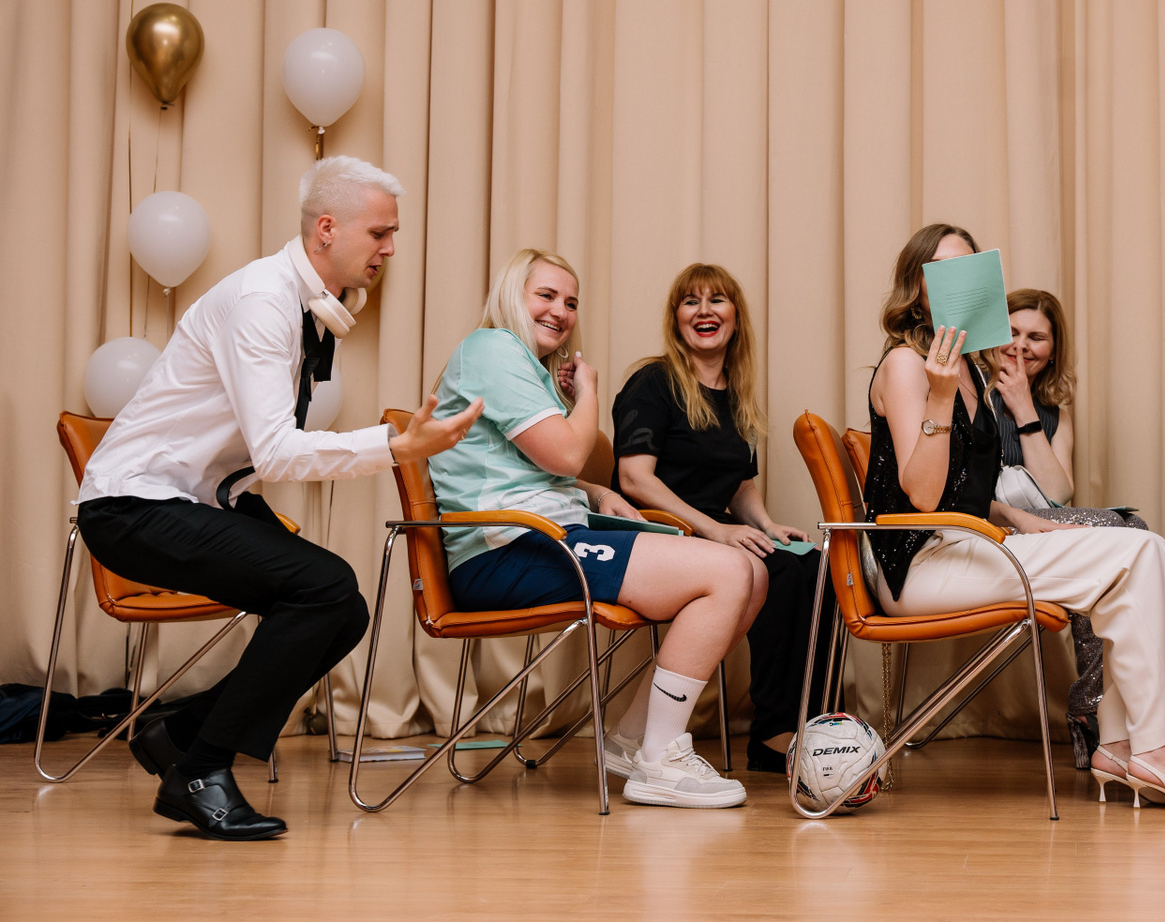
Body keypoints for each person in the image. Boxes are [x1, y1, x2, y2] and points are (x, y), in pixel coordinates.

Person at [74, 157, 483, 840]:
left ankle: (184, 734)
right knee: (324, 587)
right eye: (379, 232)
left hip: (200, 498)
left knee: (342, 611)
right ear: (327, 229)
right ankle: (199, 770)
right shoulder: (264, 301)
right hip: (133, 505)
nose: (390, 248)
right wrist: (396, 446)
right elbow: (276, 452)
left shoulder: (303, 306)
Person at [864, 224, 1165, 810]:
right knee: (1135, 554)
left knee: (1144, 547)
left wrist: (1019, 516)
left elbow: (964, 487)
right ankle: (1154, 749)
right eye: (942, 271)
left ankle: (1122, 743)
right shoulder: (907, 365)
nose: (959, 282)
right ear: (917, 289)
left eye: (970, 268)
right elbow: (924, 498)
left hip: (970, 543)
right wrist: (939, 395)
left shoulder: (974, 370)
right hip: (918, 564)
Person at [429, 249, 763, 809]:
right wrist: (587, 393)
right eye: (546, 296)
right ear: (512, 295)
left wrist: (596, 491)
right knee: (729, 570)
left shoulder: (523, 365)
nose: (561, 311)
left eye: (571, 302)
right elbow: (564, 455)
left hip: (545, 538)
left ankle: (632, 741)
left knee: (754, 572)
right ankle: (660, 760)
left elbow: (527, 470)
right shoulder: (492, 348)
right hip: (506, 551)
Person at [610, 263, 831, 774]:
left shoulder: (736, 393)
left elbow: (740, 484)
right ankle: (773, 734)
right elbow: (634, 479)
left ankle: (808, 725)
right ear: (676, 318)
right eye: (691, 301)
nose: (704, 311)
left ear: (735, 316)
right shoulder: (653, 381)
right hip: (663, 532)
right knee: (779, 574)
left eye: (716, 300)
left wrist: (766, 525)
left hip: (717, 529)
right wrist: (716, 530)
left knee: (815, 566)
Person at [991, 288, 1148, 768]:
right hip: (991, 532)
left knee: (1125, 536)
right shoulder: (969, 392)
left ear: (1054, 349)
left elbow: (1058, 492)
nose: (1021, 345)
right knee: (1126, 532)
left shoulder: (1054, 411)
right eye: (1011, 332)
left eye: (1036, 337)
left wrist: (1024, 409)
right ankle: (1099, 709)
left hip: (1041, 530)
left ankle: (1095, 707)